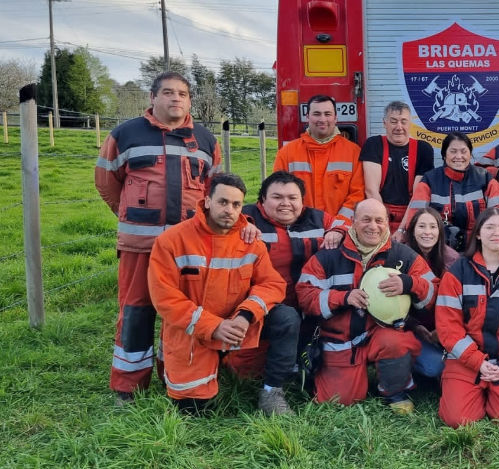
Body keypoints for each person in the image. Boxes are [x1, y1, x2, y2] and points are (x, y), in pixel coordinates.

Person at [96, 71, 222, 403]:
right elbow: (108, 183)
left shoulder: (207, 140)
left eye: (182, 93)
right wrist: (129, 215)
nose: (175, 98)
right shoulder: (125, 134)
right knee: (136, 312)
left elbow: (215, 192)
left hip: (187, 250)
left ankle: (176, 376)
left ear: (189, 100)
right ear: (153, 98)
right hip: (141, 246)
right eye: (168, 92)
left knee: (182, 313)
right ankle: (128, 386)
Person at [147, 173, 300, 415]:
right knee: (196, 411)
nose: (230, 210)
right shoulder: (172, 241)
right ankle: (203, 368)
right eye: (223, 202)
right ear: (206, 201)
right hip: (195, 329)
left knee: (287, 317)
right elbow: (164, 297)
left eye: (236, 204)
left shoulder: (250, 241)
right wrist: (214, 325)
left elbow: (272, 284)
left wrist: (245, 316)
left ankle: (272, 391)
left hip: (238, 324)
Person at [295, 199, 435, 412]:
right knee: (340, 401)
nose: (373, 226)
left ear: (388, 223)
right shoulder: (329, 254)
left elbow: (435, 291)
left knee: (395, 342)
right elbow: (305, 296)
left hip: (382, 334)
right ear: (352, 222)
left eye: (380, 220)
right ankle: (331, 376)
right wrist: (342, 298)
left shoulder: (402, 256)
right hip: (340, 340)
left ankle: (394, 391)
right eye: (366, 220)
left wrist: (410, 284)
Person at [224, 171, 343, 378]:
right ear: (262, 199)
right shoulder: (246, 218)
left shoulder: (318, 218)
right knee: (245, 373)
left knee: (309, 367)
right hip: (261, 307)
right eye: (277, 197)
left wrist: (338, 232)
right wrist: (239, 226)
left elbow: (348, 227)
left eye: (292, 198)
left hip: (306, 306)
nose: (285, 203)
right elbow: (218, 225)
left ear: (302, 200)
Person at [436, 208, 499, 431]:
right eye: (489, 227)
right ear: (479, 234)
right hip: (465, 360)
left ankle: (497, 394)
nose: (497, 233)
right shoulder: (457, 272)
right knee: (457, 420)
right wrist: (478, 362)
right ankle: (468, 393)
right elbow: (448, 327)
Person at [398, 132, 499, 251]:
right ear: (444, 155)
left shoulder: (485, 178)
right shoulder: (429, 179)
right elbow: (415, 220)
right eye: (453, 151)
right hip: (438, 251)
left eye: (463, 151)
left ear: (470, 154)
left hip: (478, 249)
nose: (459, 156)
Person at [273, 94, 364, 228]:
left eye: (327, 114)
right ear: (307, 117)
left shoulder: (353, 152)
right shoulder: (287, 153)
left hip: (340, 231)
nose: (322, 119)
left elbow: (358, 195)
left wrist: (338, 226)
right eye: (317, 114)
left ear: (335, 118)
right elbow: (276, 193)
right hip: (296, 230)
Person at [360, 101, 435, 234]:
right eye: (393, 121)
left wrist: (403, 229)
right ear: (385, 123)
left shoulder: (423, 149)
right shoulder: (374, 145)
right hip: (379, 214)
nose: (399, 127)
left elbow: (418, 196)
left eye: (403, 121)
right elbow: (371, 191)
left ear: (410, 124)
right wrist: (382, 226)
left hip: (411, 214)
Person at [404, 207, 460, 379]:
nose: (427, 232)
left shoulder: (453, 260)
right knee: (435, 367)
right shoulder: (401, 256)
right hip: (412, 329)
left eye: (433, 227)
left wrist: (442, 330)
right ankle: (407, 363)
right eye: (421, 226)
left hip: (445, 329)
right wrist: (414, 325)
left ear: (440, 231)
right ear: (412, 231)